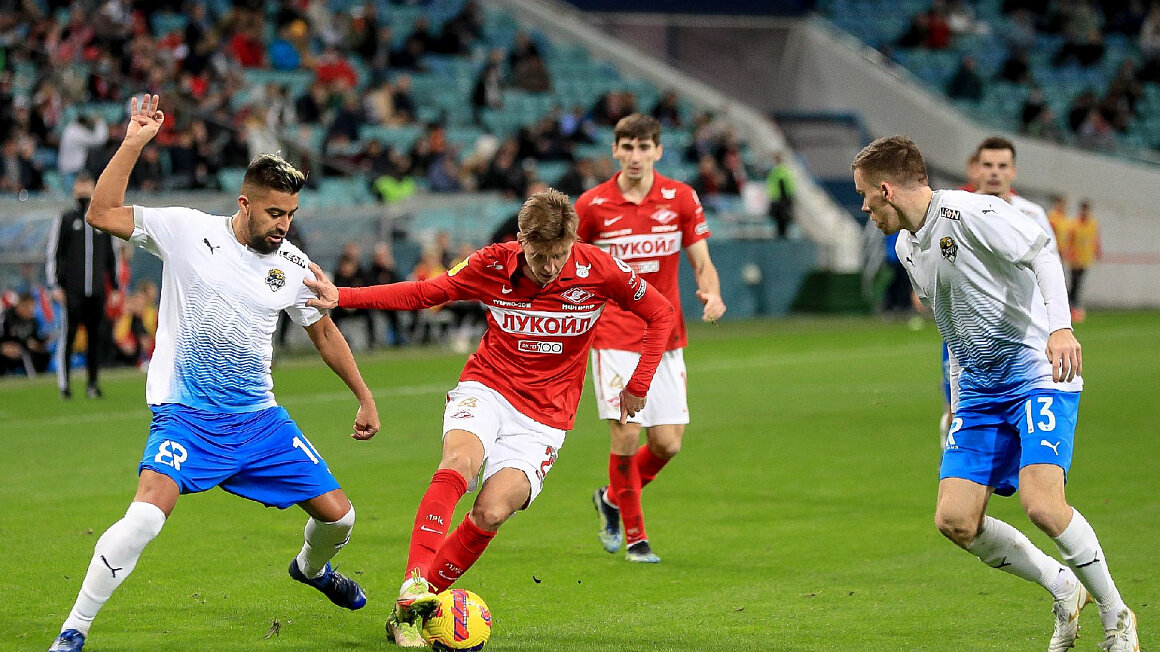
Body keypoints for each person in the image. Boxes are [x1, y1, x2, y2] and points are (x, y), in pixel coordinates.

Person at [48, 95, 381, 652]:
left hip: (259, 422)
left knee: (341, 519)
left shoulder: (292, 265)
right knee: (144, 520)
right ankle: (74, 629)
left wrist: (364, 397)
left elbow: (322, 330)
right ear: (245, 203)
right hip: (187, 417)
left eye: (292, 215)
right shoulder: (186, 231)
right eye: (275, 213)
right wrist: (134, 141)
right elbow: (101, 213)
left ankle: (311, 569)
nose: (284, 226)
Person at [303, 188, 675, 647]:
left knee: (492, 510)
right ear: (521, 240)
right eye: (540, 255)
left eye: (559, 255)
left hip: (545, 419)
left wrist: (638, 383)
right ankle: (414, 581)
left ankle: (409, 616)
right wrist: (344, 295)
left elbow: (660, 312)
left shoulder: (598, 270)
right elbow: (425, 292)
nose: (550, 266)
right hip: (488, 388)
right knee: (459, 464)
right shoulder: (492, 264)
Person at [851, 135, 1139, 652]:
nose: (864, 206)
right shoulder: (904, 246)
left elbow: (1044, 254)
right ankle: (1063, 585)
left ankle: (1117, 617)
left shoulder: (968, 212)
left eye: (865, 195)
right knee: (955, 521)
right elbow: (954, 328)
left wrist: (1059, 328)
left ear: (886, 190)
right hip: (980, 392)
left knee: (1043, 505)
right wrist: (957, 398)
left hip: (1038, 373)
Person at [575, 113, 726, 563]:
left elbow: (701, 260)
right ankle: (637, 539)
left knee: (667, 444)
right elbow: (569, 264)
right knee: (625, 435)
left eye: (644, 147)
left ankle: (612, 498)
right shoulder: (592, 206)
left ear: (659, 150)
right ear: (615, 151)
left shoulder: (680, 198)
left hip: (666, 336)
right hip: (615, 335)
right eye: (627, 146)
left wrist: (713, 293)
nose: (635, 155)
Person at [46, 172, 120, 399]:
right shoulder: (67, 219)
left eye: (88, 184)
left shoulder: (102, 219)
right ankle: (64, 385)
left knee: (94, 337)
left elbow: (111, 255)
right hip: (73, 290)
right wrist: (55, 284)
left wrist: (115, 286)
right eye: (81, 184)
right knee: (68, 336)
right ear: (75, 188)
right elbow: (55, 253)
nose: (84, 188)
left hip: (97, 289)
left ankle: (93, 383)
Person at [0, 292, 51, 376]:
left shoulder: (32, 321)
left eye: (32, 308)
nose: (31, 311)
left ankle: (38, 377)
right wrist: (2, 348)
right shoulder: (6, 317)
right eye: (28, 308)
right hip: (4, 351)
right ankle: (32, 379)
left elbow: (34, 339)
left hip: (22, 350)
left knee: (44, 355)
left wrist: (41, 343)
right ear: (20, 305)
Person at [1067, 199, 1101, 322]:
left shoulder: (1092, 224)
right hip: (1075, 260)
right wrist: (1071, 255)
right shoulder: (1074, 224)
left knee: (1079, 284)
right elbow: (1070, 241)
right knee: (1074, 284)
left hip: (1086, 259)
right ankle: (1071, 308)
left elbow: (1095, 238)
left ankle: (1073, 307)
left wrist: (1097, 251)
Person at [765, 152, 796, 239]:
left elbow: (786, 184)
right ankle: (780, 234)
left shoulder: (781, 170)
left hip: (782, 198)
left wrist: (788, 197)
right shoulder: (776, 170)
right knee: (778, 218)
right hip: (777, 198)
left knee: (783, 218)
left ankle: (783, 234)